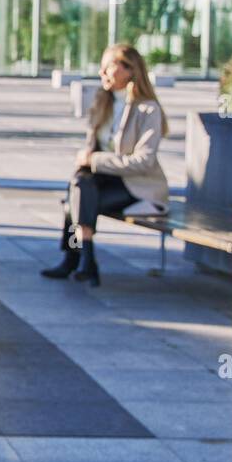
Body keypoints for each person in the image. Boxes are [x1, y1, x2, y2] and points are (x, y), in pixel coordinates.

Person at [40, 43, 170, 287]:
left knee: (76, 197)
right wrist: (88, 158)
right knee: (79, 187)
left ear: (130, 70)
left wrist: (95, 160)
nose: (102, 74)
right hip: (104, 181)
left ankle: (77, 258)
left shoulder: (148, 109)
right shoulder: (102, 103)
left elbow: (144, 161)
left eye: (108, 67)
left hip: (137, 186)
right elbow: (93, 148)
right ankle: (85, 259)